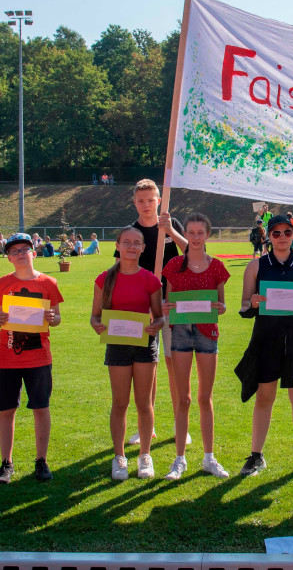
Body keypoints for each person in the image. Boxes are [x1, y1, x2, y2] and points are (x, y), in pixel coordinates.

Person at [236, 214, 293, 477]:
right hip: (267, 336)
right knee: (265, 396)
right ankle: (256, 455)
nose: (282, 237)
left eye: (287, 232)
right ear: (268, 236)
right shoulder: (256, 266)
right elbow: (244, 306)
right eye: (276, 233)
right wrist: (252, 303)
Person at [114, 179, 187, 445]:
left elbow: (192, 252)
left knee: (174, 363)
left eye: (151, 200)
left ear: (159, 200)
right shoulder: (131, 232)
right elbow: (119, 268)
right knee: (147, 367)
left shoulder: (170, 223)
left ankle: (181, 425)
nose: (146, 205)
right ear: (134, 202)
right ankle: (147, 426)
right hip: (142, 306)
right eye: (141, 200)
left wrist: (170, 231)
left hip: (172, 303)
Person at [159, 214, 231, 480]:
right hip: (180, 333)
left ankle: (209, 458)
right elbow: (167, 302)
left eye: (201, 232)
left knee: (204, 398)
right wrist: (165, 307)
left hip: (207, 334)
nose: (196, 237)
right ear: (185, 235)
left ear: (207, 235)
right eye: (191, 232)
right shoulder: (174, 265)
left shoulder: (217, 267)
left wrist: (221, 307)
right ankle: (179, 460)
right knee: (183, 398)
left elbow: (222, 305)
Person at [0, 233, 63, 484]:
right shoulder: (2, 283)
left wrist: (52, 318)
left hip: (38, 357)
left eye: (24, 249)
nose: (20, 254)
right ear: (9, 257)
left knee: (41, 408)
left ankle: (41, 460)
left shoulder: (48, 282)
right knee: (7, 410)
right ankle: (6, 463)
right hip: (7, 356)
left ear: (33, 252)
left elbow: (57, 317)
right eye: (14, 251)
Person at [91, 226, 165, 480]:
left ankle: (145, 455)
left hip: (145, 346)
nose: (131, 247)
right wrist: (96, 324)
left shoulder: (151, 280)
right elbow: (95, 315)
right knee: (120, 403)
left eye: (136, 243)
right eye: (126, 242)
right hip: (117, 346)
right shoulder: (104, 279)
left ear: (143, 248)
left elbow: (159, 317)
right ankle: (119, 457)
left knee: (144, 404)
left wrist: (156, 325)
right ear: (118, 246)